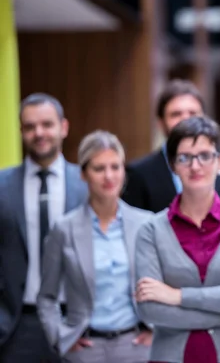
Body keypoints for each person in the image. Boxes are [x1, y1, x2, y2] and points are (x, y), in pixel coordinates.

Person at [134, 116, 220, 363]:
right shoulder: (150, 230)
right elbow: (149, 308)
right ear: (172, 165)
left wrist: (176, 296)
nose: (195, 165)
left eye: (205, 155)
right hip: (169, 357)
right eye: (185, 157)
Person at [37, 130, 153, 363]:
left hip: (136, 347)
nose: (109, 176)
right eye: (99, 168)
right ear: (83, 174)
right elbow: (46, 297)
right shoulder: (64, 229)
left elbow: (166, 282)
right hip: (85, 350)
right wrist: (60, 337)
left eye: (115, 166)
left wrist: (157, 328)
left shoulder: (146, 223)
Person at [0, 93, 88, 362]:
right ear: (21, 131)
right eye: (30, 127)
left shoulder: (87, 185)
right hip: (16, 327)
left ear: (63, 127)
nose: (39, 133)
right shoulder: (2, 186)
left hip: (76, 324)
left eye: (47, 124)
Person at [123, 79, 220, 211]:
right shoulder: (138, 173)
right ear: (160, 123)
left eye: (192, 113)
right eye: (176, 114)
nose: (186, 119)